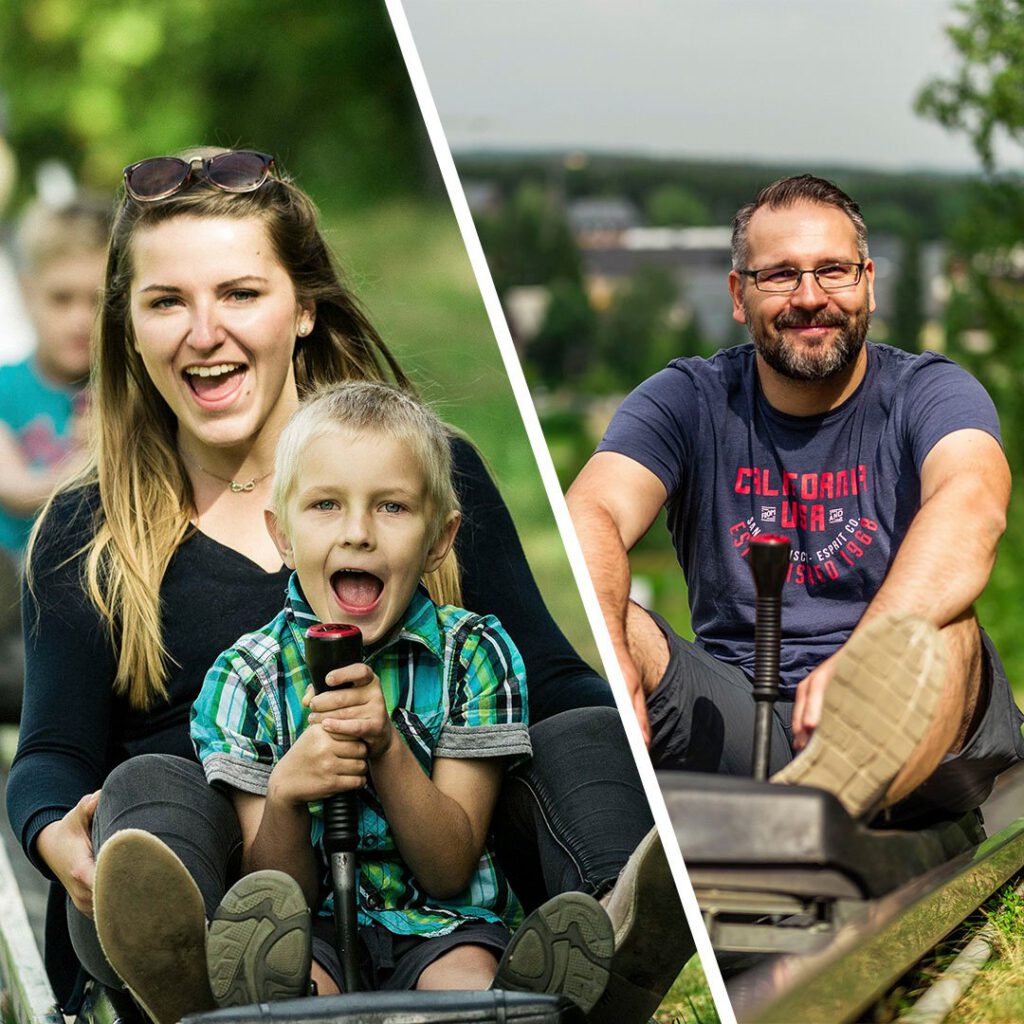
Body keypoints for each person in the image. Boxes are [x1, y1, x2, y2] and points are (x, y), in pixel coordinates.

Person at [6, 149, 690, 1023]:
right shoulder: (87, 529)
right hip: (232, 868)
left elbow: (551, 685)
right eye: (166, 301)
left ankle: (617, 937)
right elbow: (51, 754)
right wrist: (51, 830)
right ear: (129, 326)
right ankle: (210, 984)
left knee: (587, 728)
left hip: (434, 867)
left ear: (302, 308)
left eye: (240, 294)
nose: (202, 332)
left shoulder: (430, 477)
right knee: (148, 785)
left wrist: (634, 746)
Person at [567, 174, 1024, 824]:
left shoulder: (930, 392)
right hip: (744, 710)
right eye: (780, 275)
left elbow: (971, 503)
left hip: (916, 712)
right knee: (625, 620)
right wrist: (612, 646)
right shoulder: (687, 398)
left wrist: (863, 663)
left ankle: (811, 809)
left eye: (833, 271)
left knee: (944, 631)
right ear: (738, 293)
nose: (810, 298)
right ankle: (786, 813)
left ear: (868, 280)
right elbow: (592, 510)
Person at [0, 194, 110, 721]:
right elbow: (17, 491)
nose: (79, 320)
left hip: (90, 585)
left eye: (96, 301)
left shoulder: (124, 394)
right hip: (14, 582)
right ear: (26, 294)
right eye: (61, 299)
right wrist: (93, 459)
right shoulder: (4, 389)